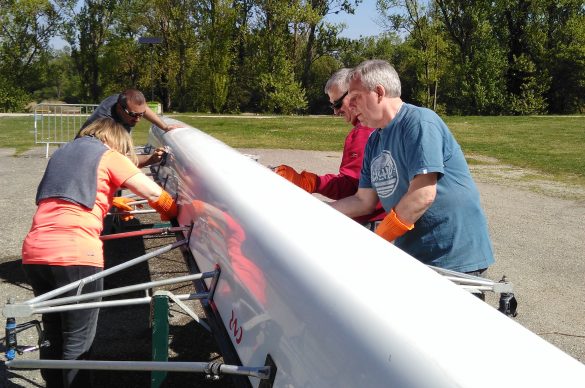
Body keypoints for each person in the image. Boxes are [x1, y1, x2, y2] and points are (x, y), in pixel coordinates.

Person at [22, 117, 178, 388]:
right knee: (78, 340)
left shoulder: (61, 153)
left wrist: (108, 201)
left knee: (54, 331)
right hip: (76, 254)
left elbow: (69, 195)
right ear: (113, 141)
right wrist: (172, 210)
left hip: (35, 252)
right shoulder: (107, 155)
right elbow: (151, 191)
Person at [331, 59, 494, 275]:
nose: (349, 107)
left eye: (355, 98)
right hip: (415, 258)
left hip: (451, 258)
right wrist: (317, 213)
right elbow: (364, 201)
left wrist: (377, 242)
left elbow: (423, 195)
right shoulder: (374, 140)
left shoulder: (419, 122)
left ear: (379, 93)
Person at [274, 68, 385, 229]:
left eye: (338, 104)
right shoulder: (378, 127)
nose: (335, 111)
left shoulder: (363, 133)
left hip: (372, 223)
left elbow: (351, 187)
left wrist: (312, 183)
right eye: (332, 105)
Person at [78, 89, 181, 167]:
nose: (138, 119)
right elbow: (121, 164)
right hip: (86, 163)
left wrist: (165, 127)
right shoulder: (107, 126)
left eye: (141, 114)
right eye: (133, 114)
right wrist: (151, 159)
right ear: (119, 108)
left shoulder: (122, 100)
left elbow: (142, 108)